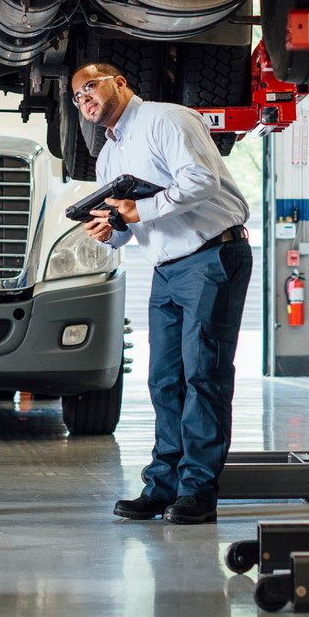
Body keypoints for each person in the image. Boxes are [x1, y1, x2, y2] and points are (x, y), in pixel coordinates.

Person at [72, 62, 251, 524]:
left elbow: (200, 180)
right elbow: (128, 228)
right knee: (164, 379)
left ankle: (198, 490)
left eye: (91, 86)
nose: (85, 98)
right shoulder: (109, 156)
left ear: (120, 83)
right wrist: (108, 228)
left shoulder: (166, 119)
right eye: (77, 96)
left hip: (211, 256)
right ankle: (163, 484)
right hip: (166, 271)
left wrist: (139, 209)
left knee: (203, 374)